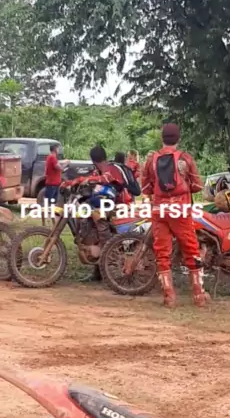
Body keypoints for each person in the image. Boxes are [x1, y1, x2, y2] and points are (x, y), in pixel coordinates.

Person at [142, 123, 208, 308]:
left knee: (162, 252)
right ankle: (199, 295)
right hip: (180, 210)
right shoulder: (185, 159)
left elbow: (145, 187)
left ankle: (169, 296)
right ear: (178, 138)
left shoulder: (151, 160)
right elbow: (197, 186)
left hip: (159, 210)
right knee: (191, 249)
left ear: (161, 138)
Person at [64, 145, 136, 280]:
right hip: (108, 205)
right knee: (88, 220)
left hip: (120, 206)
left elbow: (105, 179)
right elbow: (90, 179)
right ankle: (97, 271)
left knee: (98, 217)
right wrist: (72, 182)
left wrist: (88, 180)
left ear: (94, 160)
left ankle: (108, 252)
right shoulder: (98, 171)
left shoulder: (112, 169)